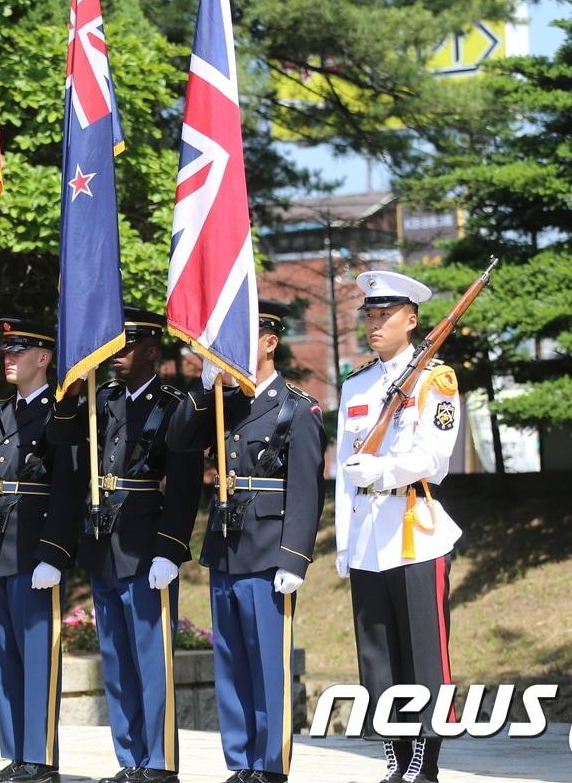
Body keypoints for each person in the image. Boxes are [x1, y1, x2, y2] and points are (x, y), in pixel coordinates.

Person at [167, 301, 325, 783]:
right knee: (232, 661)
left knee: (267, 664)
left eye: (241, 335)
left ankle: (270, 766)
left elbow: (306, 488)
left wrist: (295, 556)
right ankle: (240, 763)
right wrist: (203, 384)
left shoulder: (296, 408)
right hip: (226, 544)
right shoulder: (222, 402)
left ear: (269, 342)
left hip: (268, 548)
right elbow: (177, 441)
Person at [48, 308, 202, 783]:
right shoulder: (102, 399)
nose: (117, 355)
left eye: (128, 346)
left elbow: (183, 482)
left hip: (146, 544)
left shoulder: (174, 404)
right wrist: (71, 392)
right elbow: (59, 440)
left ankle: (159, 760)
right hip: (103, 544)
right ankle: (130, 757)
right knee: (115, 658)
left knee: (151, 658)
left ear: (152, 352)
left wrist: (170, 547)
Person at [334, 272, 463, 783]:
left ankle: (425, 760)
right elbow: (344, 470)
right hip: (368, 535)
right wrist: (345, 542)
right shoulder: (357, 384)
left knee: (423, 653)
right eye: (368, 315)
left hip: (415, 530)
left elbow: (435, 457)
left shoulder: (435, 378)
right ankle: (394, 752)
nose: (374, 324)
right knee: (379, 653)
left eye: (384, 315)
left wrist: (385, 470)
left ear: (411, 320)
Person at [0, 318, 82, 783]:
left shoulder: (61, 411)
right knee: (3, 656)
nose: (7, 358)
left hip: (35, 549)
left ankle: (40, 756)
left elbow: (70, 484)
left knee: (36, 656)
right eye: (5, 351)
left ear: (43, 358)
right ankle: (16, 752)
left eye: (18, 350)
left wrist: (54, 553)